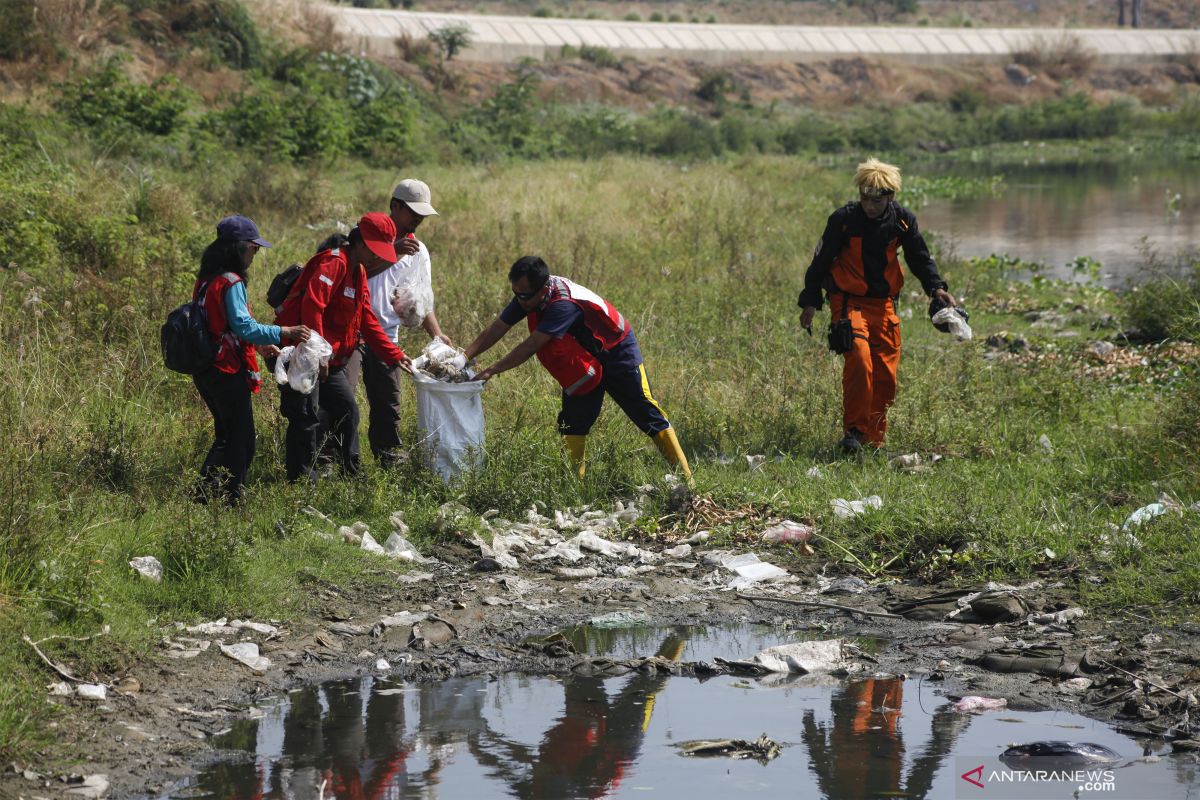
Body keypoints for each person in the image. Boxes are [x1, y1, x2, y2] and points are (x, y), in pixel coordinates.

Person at [464, 256, 691, 483]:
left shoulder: (563, 304)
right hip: (584, 355)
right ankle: (575, 484)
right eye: (516, 294)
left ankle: (687, 479)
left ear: (543, 289)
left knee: (646, 412)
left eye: (524, 296)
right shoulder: (529, 295)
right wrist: (464, 357)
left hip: (617, 350)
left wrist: (491, 370)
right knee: (573, 420)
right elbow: (498, 327)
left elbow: (532, 345)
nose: (519, 301)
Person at [798, 158, 958, 453]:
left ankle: (873, 441)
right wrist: (809, 301)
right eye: (865, 198)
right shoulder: (843, 220)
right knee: (859, 359)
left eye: (876, 200)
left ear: (890, 197)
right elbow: (820, 261)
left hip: (884, 306)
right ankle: (854, 433)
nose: (869, 205)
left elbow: (919, 258)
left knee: (885, 375)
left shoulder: (903, 221)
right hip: (847, 302)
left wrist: (936, 288)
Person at [273, 212, 413, 482]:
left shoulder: (357, 270)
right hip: (304, 357)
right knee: (306, 418)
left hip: (330, 360)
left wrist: (396, 355)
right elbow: (312, 307)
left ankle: (353, 476)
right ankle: (302, 483)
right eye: (374, 250)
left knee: (348, 411)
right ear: (358, 242)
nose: (377, 257)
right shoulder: (333, 263)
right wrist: (318, 355)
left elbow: (367, 320)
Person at [192, 215, 310, 504]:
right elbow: (244, 326)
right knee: (242, 440)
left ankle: (205, 498)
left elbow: (224, 325)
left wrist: (260, 345)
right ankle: (231, 500)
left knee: (226, 435)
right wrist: (284, 331)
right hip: (226, 370)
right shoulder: (230, 281)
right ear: (238, 248)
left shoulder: (207, 280)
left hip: (206, 369)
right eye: (253, 249)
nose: (254, 255)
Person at [343, 178, 449, 468]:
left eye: (423, 214)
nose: (419, 219)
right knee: (343, 401)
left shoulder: (419, 250)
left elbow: (421, 298)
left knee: (388, 405)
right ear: (394, 206)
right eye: (413, 212)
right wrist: (394, 252)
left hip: (387, 337)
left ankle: (389, 459)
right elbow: (352, 271)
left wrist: (437, 334)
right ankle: (335, 462)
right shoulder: (364, 237)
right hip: (351, 332)